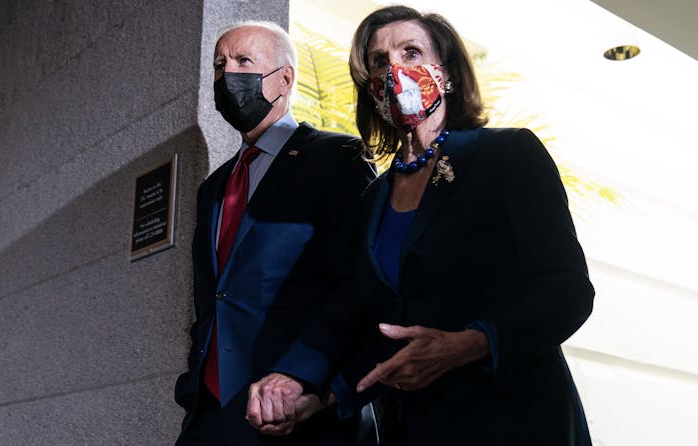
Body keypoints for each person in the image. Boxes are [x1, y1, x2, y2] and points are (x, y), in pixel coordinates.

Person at [246, 5, 595, 445]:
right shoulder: (373, 199)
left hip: (515, 419)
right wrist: (313, 391)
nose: (394, 69)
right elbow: (373, 327)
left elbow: (567, 293)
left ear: (445, 73)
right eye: (378, 61)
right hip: (415, 428)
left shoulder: (508, 156)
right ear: (370, 89)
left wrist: (470, 344)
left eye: (411, 52)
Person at [173, 21, 377, 446]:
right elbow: (213, 295)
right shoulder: (213, 188)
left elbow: (357, 282)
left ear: (284, 79)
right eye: (219, 64)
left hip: (295, 414)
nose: (228, 74)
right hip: (210, 416)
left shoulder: (336, 158)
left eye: (244, 61)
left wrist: (307, 377)